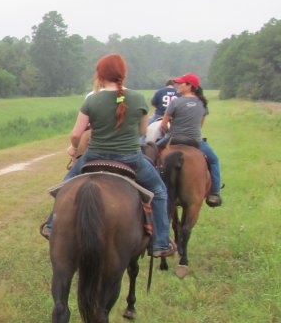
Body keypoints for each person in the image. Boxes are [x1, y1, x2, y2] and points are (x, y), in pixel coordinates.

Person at [40, 54, 175, 258]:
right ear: (123, 74)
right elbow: (142, 131)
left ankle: (51, 225)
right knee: (159, 190)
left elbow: (76, 134)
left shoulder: (92, 99)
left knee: (65, 185)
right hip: (130, 158)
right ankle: (161, 243)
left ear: (100, 75)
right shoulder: (138, 98)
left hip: (94, 156)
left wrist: (76, 149)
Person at [159, 73, 223, 206]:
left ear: (189, 86)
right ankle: (214, 193)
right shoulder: (202, 104)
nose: (178, 85)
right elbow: (200, 125)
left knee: (150, 154)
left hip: (174, 138)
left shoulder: (175, 102)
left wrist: (167, 133)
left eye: (181, 83)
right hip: (195, 141)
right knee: (214, 161)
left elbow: (163, 125)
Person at [145, 78, 178, 144]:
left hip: (159, 115)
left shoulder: (160, 91)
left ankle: (143, 144)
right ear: (174, 85)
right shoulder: (178, 92)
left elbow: (153, 103)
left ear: (166, 85)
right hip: (174, 117)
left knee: (145, 129)